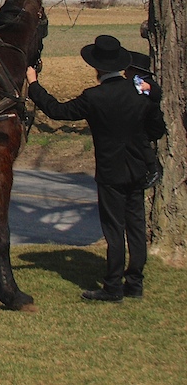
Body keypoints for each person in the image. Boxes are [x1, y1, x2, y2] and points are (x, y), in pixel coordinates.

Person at [26, 35, 166, 302]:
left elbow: (57, 110)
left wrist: (34, 84)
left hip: (111, 171)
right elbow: (156, 129)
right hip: (137, 168)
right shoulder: (139, 91)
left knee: (114, 229)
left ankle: (113, 286)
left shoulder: (94, 97)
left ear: (97, 68)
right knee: (135, 227)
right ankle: (134, 283)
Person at [126, 51, 162, 188]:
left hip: (151, 124)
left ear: (135, 71)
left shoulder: (147, 84)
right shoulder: (131, 84)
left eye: (127, 69)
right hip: (139, 121)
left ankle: (153, 169)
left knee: (140, 139)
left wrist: (148, 88)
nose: (124, 73)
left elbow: (156, 94)